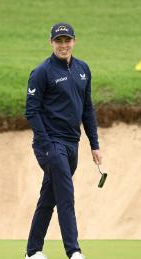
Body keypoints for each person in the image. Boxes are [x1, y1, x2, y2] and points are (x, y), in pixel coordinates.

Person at [24, 22, 103, 259]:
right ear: (51, 43)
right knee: (66, 195)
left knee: (49, 196)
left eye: (67, 40)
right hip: (50, 144)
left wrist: (94, 144)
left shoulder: (83, 69)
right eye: (59, 41)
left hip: (72, 144)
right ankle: (74, 251)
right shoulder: (42, 72)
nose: (63, 45)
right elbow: (32, 111)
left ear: (74, 41)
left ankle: (32, 251)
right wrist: (46, 145)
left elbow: (87, 109)